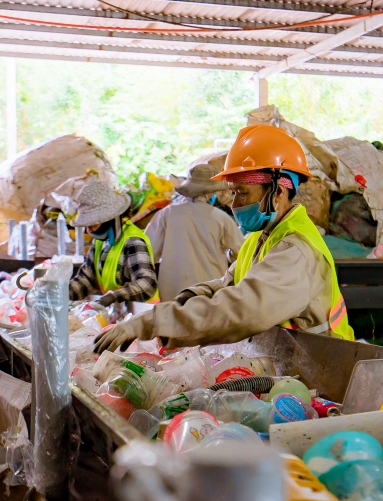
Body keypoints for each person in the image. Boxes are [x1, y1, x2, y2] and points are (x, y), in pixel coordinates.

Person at [94, 124, 354, 353]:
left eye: (242, 193)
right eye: (232, 193)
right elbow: (228, 284)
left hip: (325, 366)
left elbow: (242, 309)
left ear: (278, 191)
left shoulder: (295, 249)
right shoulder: (262, 236)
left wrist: (153, 322)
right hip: (291, 361)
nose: (234, 204)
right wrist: (183, 301)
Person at [145, 163, 244, 302]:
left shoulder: (167, 214)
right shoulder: (221, 218)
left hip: (172, 293)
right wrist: (228, 256)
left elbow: (149, 252)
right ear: (210, 192)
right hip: (209, 293)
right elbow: (241, 254)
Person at [69, 176, 159, 306]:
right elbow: (87, 280)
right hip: (119, 314)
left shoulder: (133, 241)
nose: (89, 230)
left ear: (109, 219)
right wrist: (58, 292)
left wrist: (114, 296)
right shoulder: (99, 242)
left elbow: (147, 285)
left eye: (93, 223)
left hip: (142, 316)